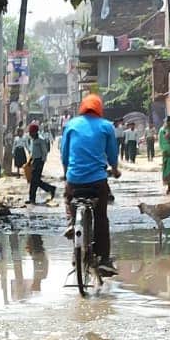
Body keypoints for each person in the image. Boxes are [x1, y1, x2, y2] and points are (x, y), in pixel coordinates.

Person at [60, 94, 120, 276]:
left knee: (68, 198)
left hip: (74, 180)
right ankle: (103, 259)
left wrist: (66, 173)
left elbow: (64, 154)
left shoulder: (71, 125)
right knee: (101, 216)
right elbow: (112, 154)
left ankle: (71, 222)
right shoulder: (106, 126)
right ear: (99, 109)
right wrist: (115, 170)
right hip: (97, 182)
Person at [26, 122, 56, 205]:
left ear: (35, 132)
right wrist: (29, 161)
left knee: (34, 180)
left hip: (39, 161)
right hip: (34, 161)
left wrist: (42, 162)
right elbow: (33, 152)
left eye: (31, 132)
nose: (30, 134)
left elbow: (44, 152)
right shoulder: (33, 140)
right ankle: (50, 189)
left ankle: (32, 198)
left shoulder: (41, 140)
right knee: (35, 180)